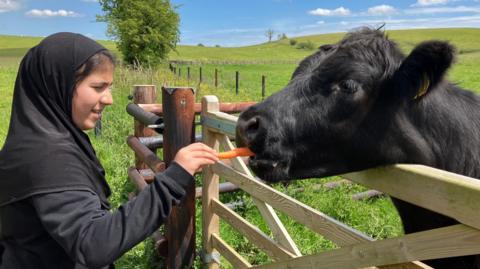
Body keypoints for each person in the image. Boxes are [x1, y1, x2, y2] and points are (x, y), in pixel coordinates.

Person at [0, 32, 218, 268]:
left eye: (109, 87)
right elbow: (93, 244)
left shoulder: (38, 139)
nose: (109, 99)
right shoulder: (47, 157)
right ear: (58, 84)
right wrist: (172, 180)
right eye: (97, 87)